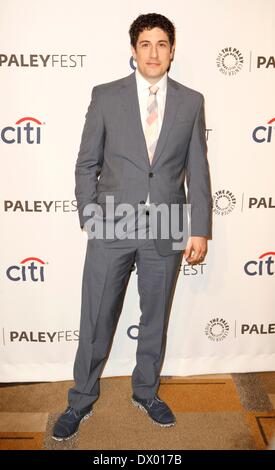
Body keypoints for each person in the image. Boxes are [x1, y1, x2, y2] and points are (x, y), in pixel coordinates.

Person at [52, 12, 212, 441]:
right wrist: (90, 214)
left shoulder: (191, 100)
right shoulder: (106, 96)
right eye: (145, 44)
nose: (154, 52)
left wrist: (199, 227)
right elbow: (87, 161)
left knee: (155, 317)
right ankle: (80, 399)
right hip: (112, 223)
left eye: (162, 44)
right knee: (96, 317)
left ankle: (146, 392)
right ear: (133, 50)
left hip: (167, 223)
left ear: (172, 50)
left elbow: (198, 168)